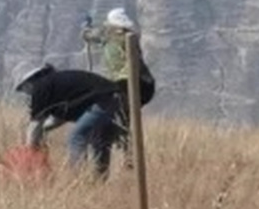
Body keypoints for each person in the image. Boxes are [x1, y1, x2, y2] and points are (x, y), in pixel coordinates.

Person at [13, 61, 154, 180]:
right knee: (100, 142)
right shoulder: (56, 84)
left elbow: (35, 123)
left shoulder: (42, 87)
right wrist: (43, 131)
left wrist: (30, 148)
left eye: (23, 88)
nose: (26, 92)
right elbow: (57, 120)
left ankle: (78, 180)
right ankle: (100, 181)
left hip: (104, 101)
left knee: (76, 137)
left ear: (30, 82)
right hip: (117, 100)